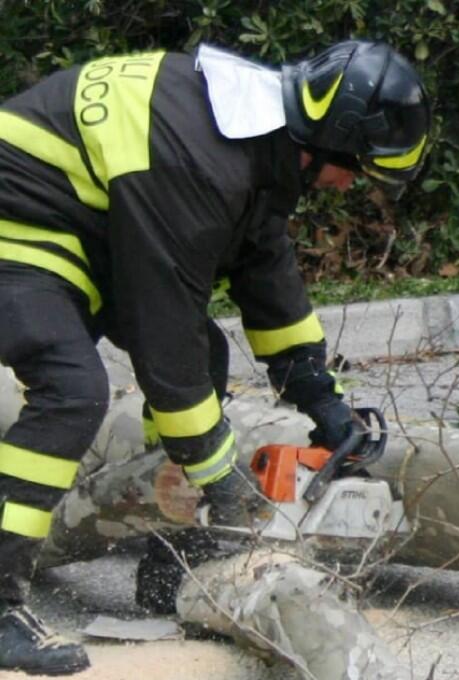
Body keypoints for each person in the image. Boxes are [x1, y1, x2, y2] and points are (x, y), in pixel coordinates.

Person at [0, 40, 430, 674]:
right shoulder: (195, 160)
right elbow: (162, 332)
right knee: (73, 388)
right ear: (327, 143)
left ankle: (171, 555)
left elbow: (266, 270)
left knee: (206, 351)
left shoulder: (254, 136)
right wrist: (218, 474)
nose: (350, 185)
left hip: (80, 226)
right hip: (19, 220)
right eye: (356, 168)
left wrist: (321, 398)